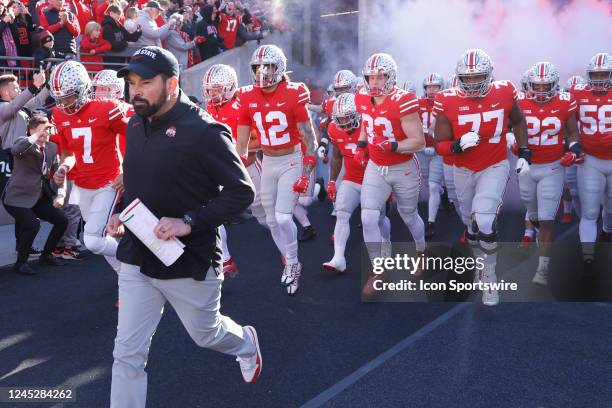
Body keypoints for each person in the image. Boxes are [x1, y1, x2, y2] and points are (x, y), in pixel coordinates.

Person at [105, 46, 261, 407]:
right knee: (126, 354)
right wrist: (121, 211)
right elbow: (138, 180)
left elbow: (241, 193)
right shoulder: (133, 122)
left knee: (206, 335)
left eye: (145, 82)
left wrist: (188, 222)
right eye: (131, 83)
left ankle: (246, 343)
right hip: (137, 256)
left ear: (172, 83)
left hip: (189, 260)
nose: (135, 91)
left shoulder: (204, 130)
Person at [434, 48, 529, 306]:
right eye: (468, 78)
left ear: (489, 76)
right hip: (462, 168)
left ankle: (489, 276)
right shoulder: (446, 99)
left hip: (494, 165)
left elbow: (519, 121)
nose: (473, 83)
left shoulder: (505, 91)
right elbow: (438, 144)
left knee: (485, 221)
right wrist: (456, 145)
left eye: (478, 78)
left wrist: (525, 152)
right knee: (471, 226)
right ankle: (479, 264)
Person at [236, 44, 318, 295]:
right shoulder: (247, 95)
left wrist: (306, 173)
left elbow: (309, 139)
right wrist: (236, 160)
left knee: (283, 217)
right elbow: (242, 138)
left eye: (268, 67)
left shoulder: (293, 93)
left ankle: (293, 264)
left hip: (291, 159)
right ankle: (291, 260)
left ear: (280, 68)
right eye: (257, 68)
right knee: (272, 221)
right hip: (268, 161)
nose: (262, 72)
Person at [355, 53, 426, 298]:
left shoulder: (403, 100)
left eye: (380, 77)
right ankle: (379, 269)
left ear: (391, 76)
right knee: (367, 216)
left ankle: (421, 251)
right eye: (370, 77)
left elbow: (419, 141)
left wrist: (394, 145)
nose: (374, 83)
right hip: (376, 165)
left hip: (403, 167)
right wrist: (362, 146)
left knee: (408, 215)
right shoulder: (362, 97)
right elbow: (366, 123)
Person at [50, 60, 129, 276]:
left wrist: (127, 171)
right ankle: (128, 280)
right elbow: (68, 153)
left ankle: (139, 256)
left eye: (69, 96)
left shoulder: (107, 108)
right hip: (82, 185)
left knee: (93, 241)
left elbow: (138, 138)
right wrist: (64, 168)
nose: (65, 103)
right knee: (102, 241)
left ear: (83, 88)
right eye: (61, 98)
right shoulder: (58, 114)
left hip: (108, 182)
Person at [514, 62, 579, 285]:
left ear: (555, 85)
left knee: (547, 218)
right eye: (537, 86)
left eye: (546, 86)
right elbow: (505, 129)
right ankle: (535, 235)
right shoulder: (519, 101)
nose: (541, 91)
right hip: (527, 166)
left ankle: (543, 268)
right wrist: (513, 142)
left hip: (552, 166)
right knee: (532, 215)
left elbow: (572, 132)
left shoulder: (564, 101)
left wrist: (573, 150)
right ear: (529, 85)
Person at [203, 63, 267, 278]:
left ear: (230, 87)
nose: (213, 94)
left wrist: (237, 148)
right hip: (221, 171)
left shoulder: (243, 106)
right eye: (210, 89)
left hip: (247, 168)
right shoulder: (210, 107)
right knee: (212, 213)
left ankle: (290, 248)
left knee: (268, 218)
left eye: (218, 88)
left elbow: (262, 141)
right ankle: (227, 260)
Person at [322, 92, 391, 273]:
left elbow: (386, 155)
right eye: (340, 118)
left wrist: (388, 183)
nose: (344, 122)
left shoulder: (370, 125)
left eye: (348, 117)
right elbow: (336, 157)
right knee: (341, 213)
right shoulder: (333, 128)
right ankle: (338, 257)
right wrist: (331, 181)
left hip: (374, 179)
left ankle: (386, 241)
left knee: (378, 219)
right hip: (351, 178)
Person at [2, 116, 68, 275]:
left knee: (62, 220)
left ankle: (46, 255)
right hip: (16, 197)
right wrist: (36, 136)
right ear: (31, 130)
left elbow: (59, 173)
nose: (47, 132)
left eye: (49, 129)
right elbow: (16, 150)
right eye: (43, 129)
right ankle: (20, 263)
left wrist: (61, 194)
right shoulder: (23, 142)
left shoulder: (52, 148)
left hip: (38, 196)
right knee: (32, 224)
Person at [570, 52, 612, 274]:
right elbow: (567, 125)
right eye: (594, 74)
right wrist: (571, 145)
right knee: (590, 210)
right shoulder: (577, 94)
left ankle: (606, 230)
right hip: (590, 160)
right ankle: (587, 257)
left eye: (603, 73)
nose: (598, 78)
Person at [417, 72, 445, 238]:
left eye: (435, 86)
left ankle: (431, 223)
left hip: (438, 151)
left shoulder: (447, 103)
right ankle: (444, 194)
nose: (432, 90)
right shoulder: (417, 103)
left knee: (433, 186)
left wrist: (437, 145)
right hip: (421, 150)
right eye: (429, 86)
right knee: (430, 185)